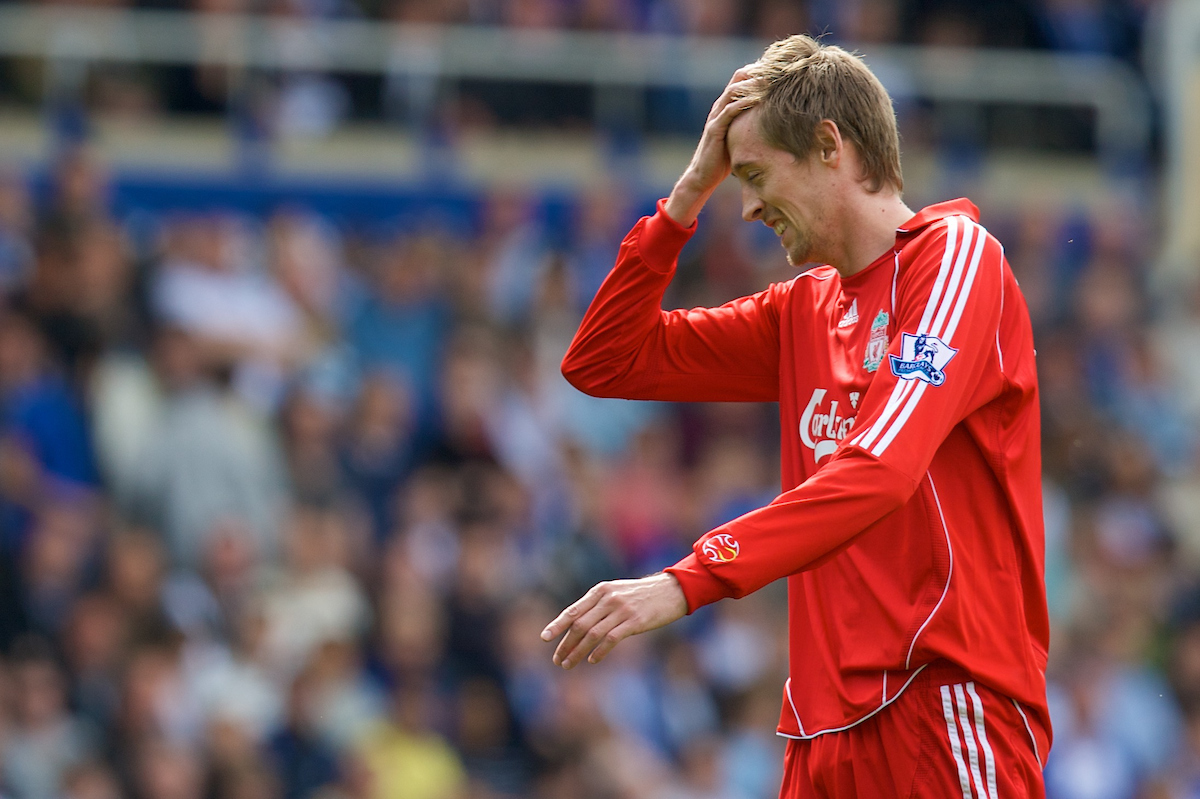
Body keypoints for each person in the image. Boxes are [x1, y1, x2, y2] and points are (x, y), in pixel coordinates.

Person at [540, 34, 1051, 797]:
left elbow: (881, 470)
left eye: (752, 176)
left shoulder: (956, 259)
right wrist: (685, 198)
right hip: (817, 735)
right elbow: (604, 359)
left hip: (946, 701)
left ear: (827, 146)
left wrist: (686, 580)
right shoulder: (804, 310)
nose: (744, 207)